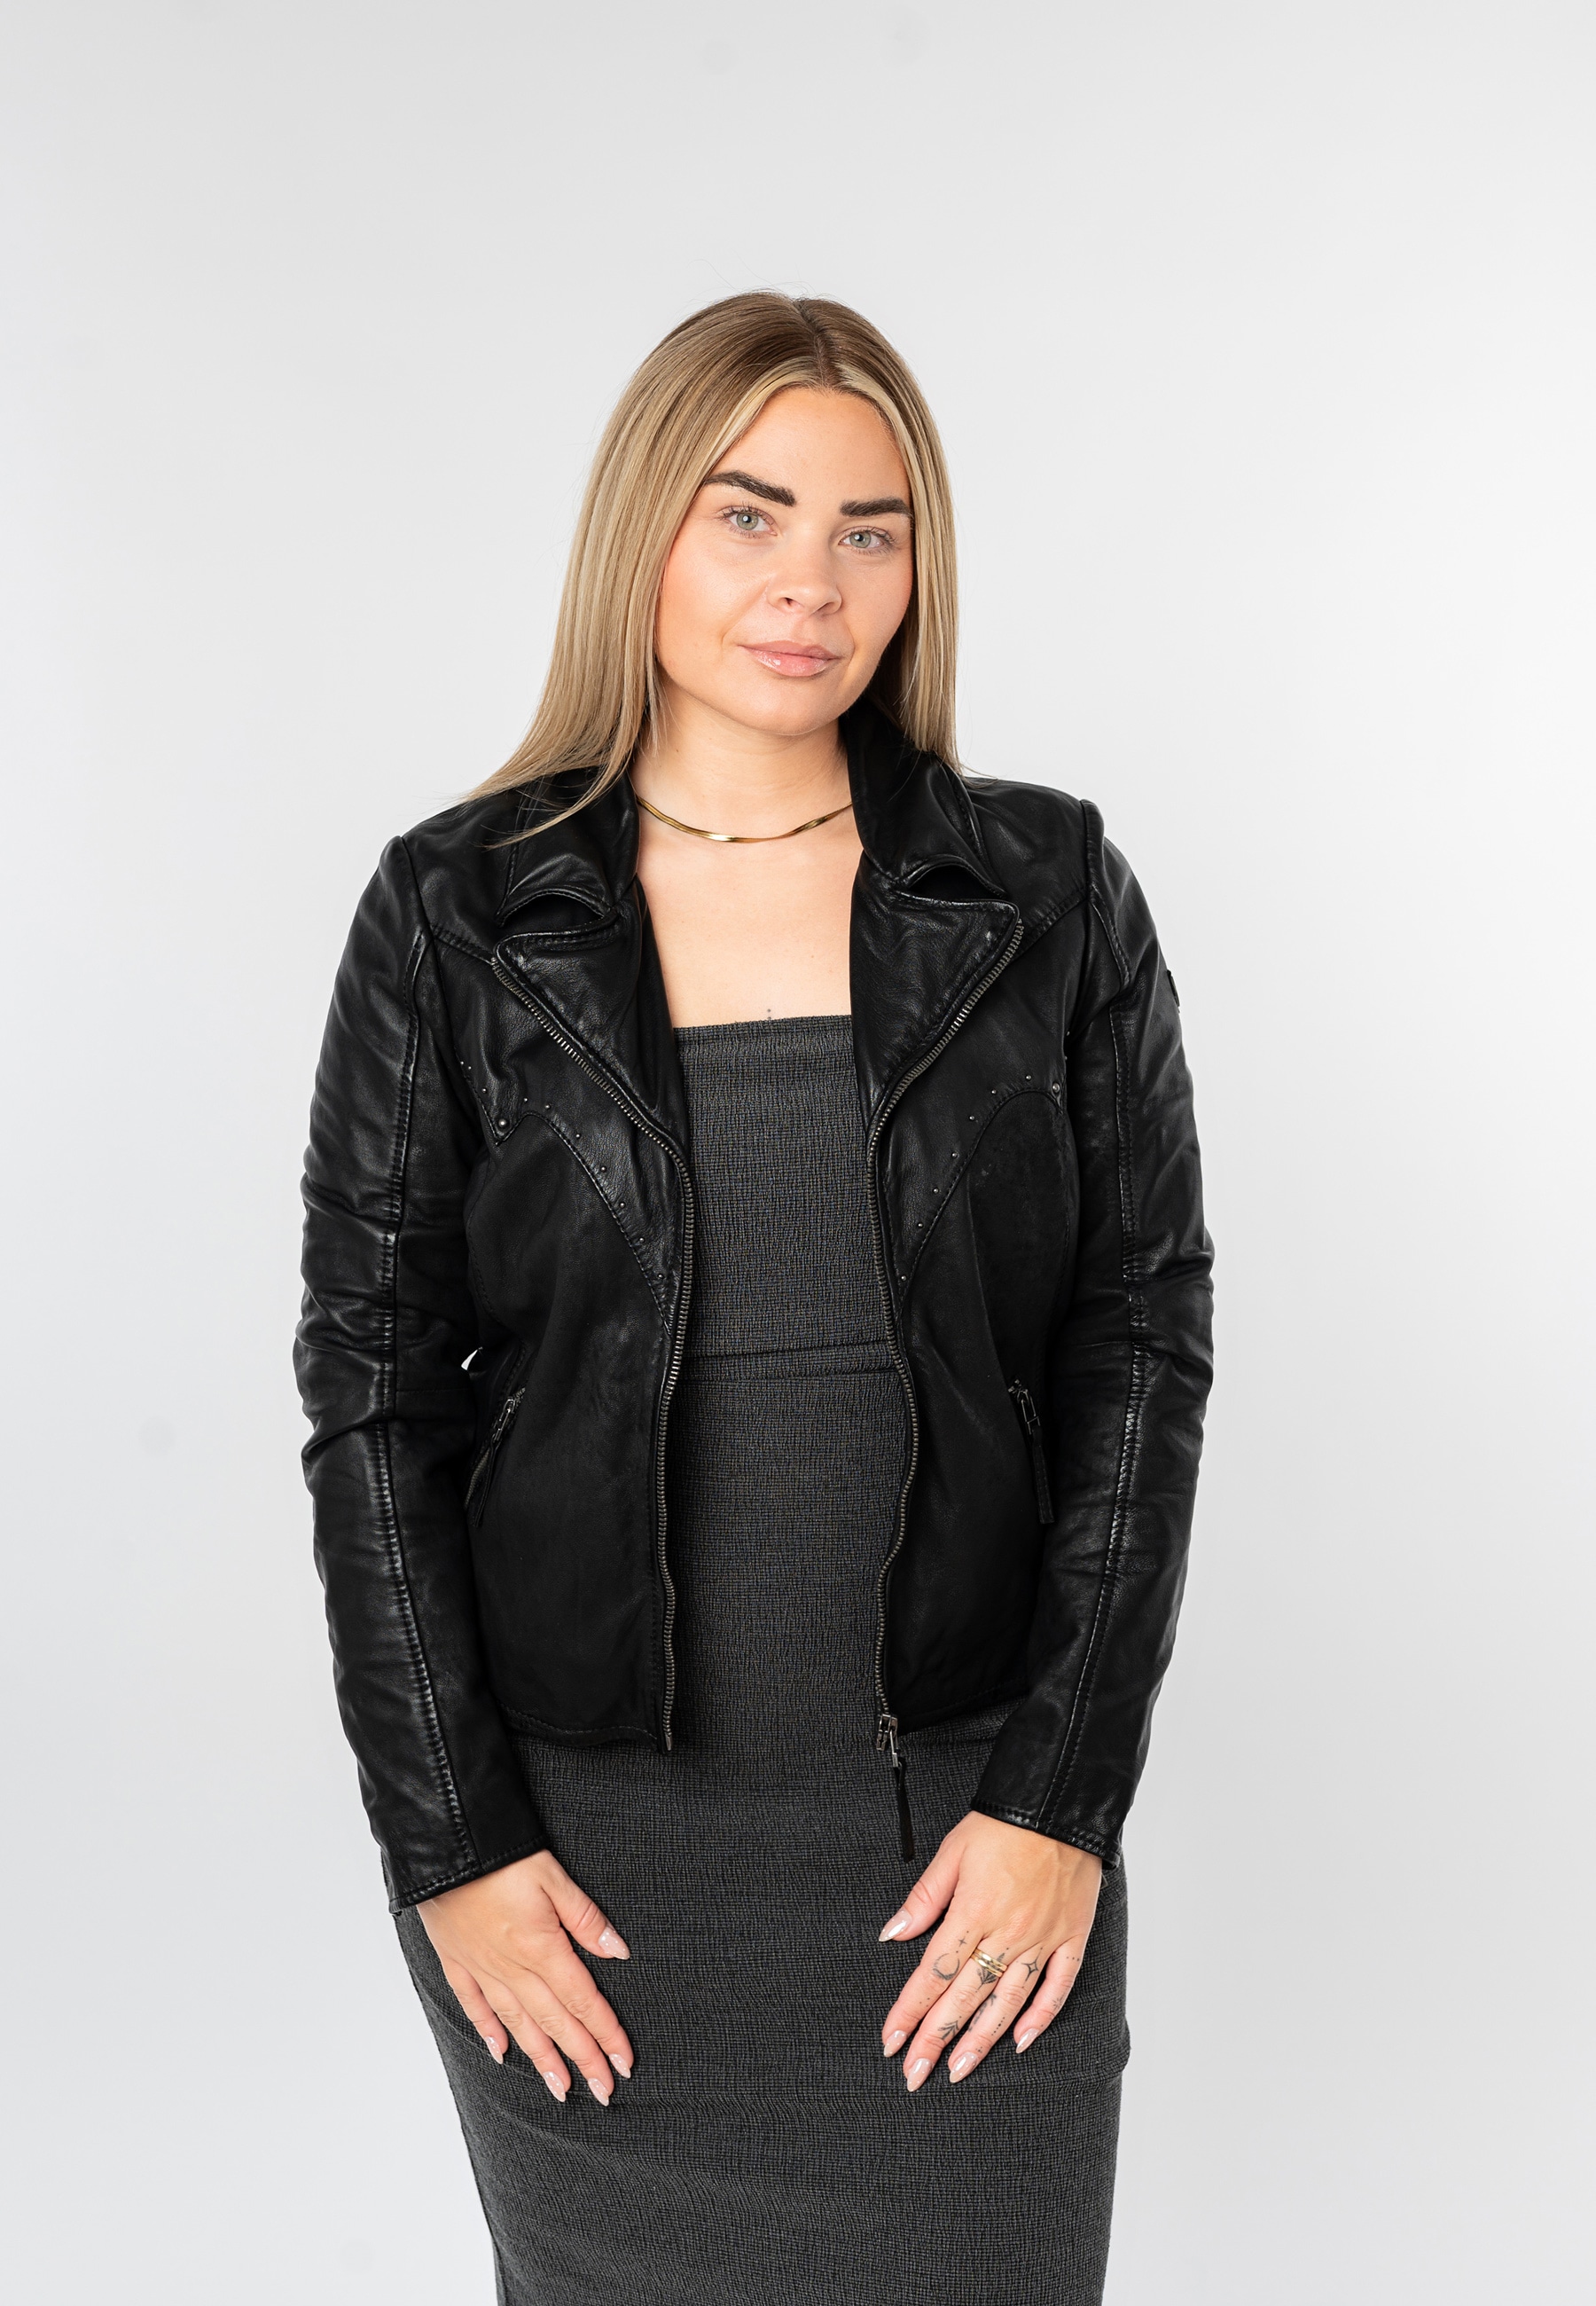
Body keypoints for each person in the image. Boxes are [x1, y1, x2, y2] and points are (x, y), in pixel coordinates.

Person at [295, 291, 1213, 2306]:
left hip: (966, 1845)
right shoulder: (455, 914)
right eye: (751, 514)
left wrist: (1062, 1801)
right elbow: (373, 1401)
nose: (814, 583)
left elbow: (1141, 1347)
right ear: (645, 527)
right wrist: (452, 1844)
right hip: (586, 1869)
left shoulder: (1049, 894)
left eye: (872, 529)